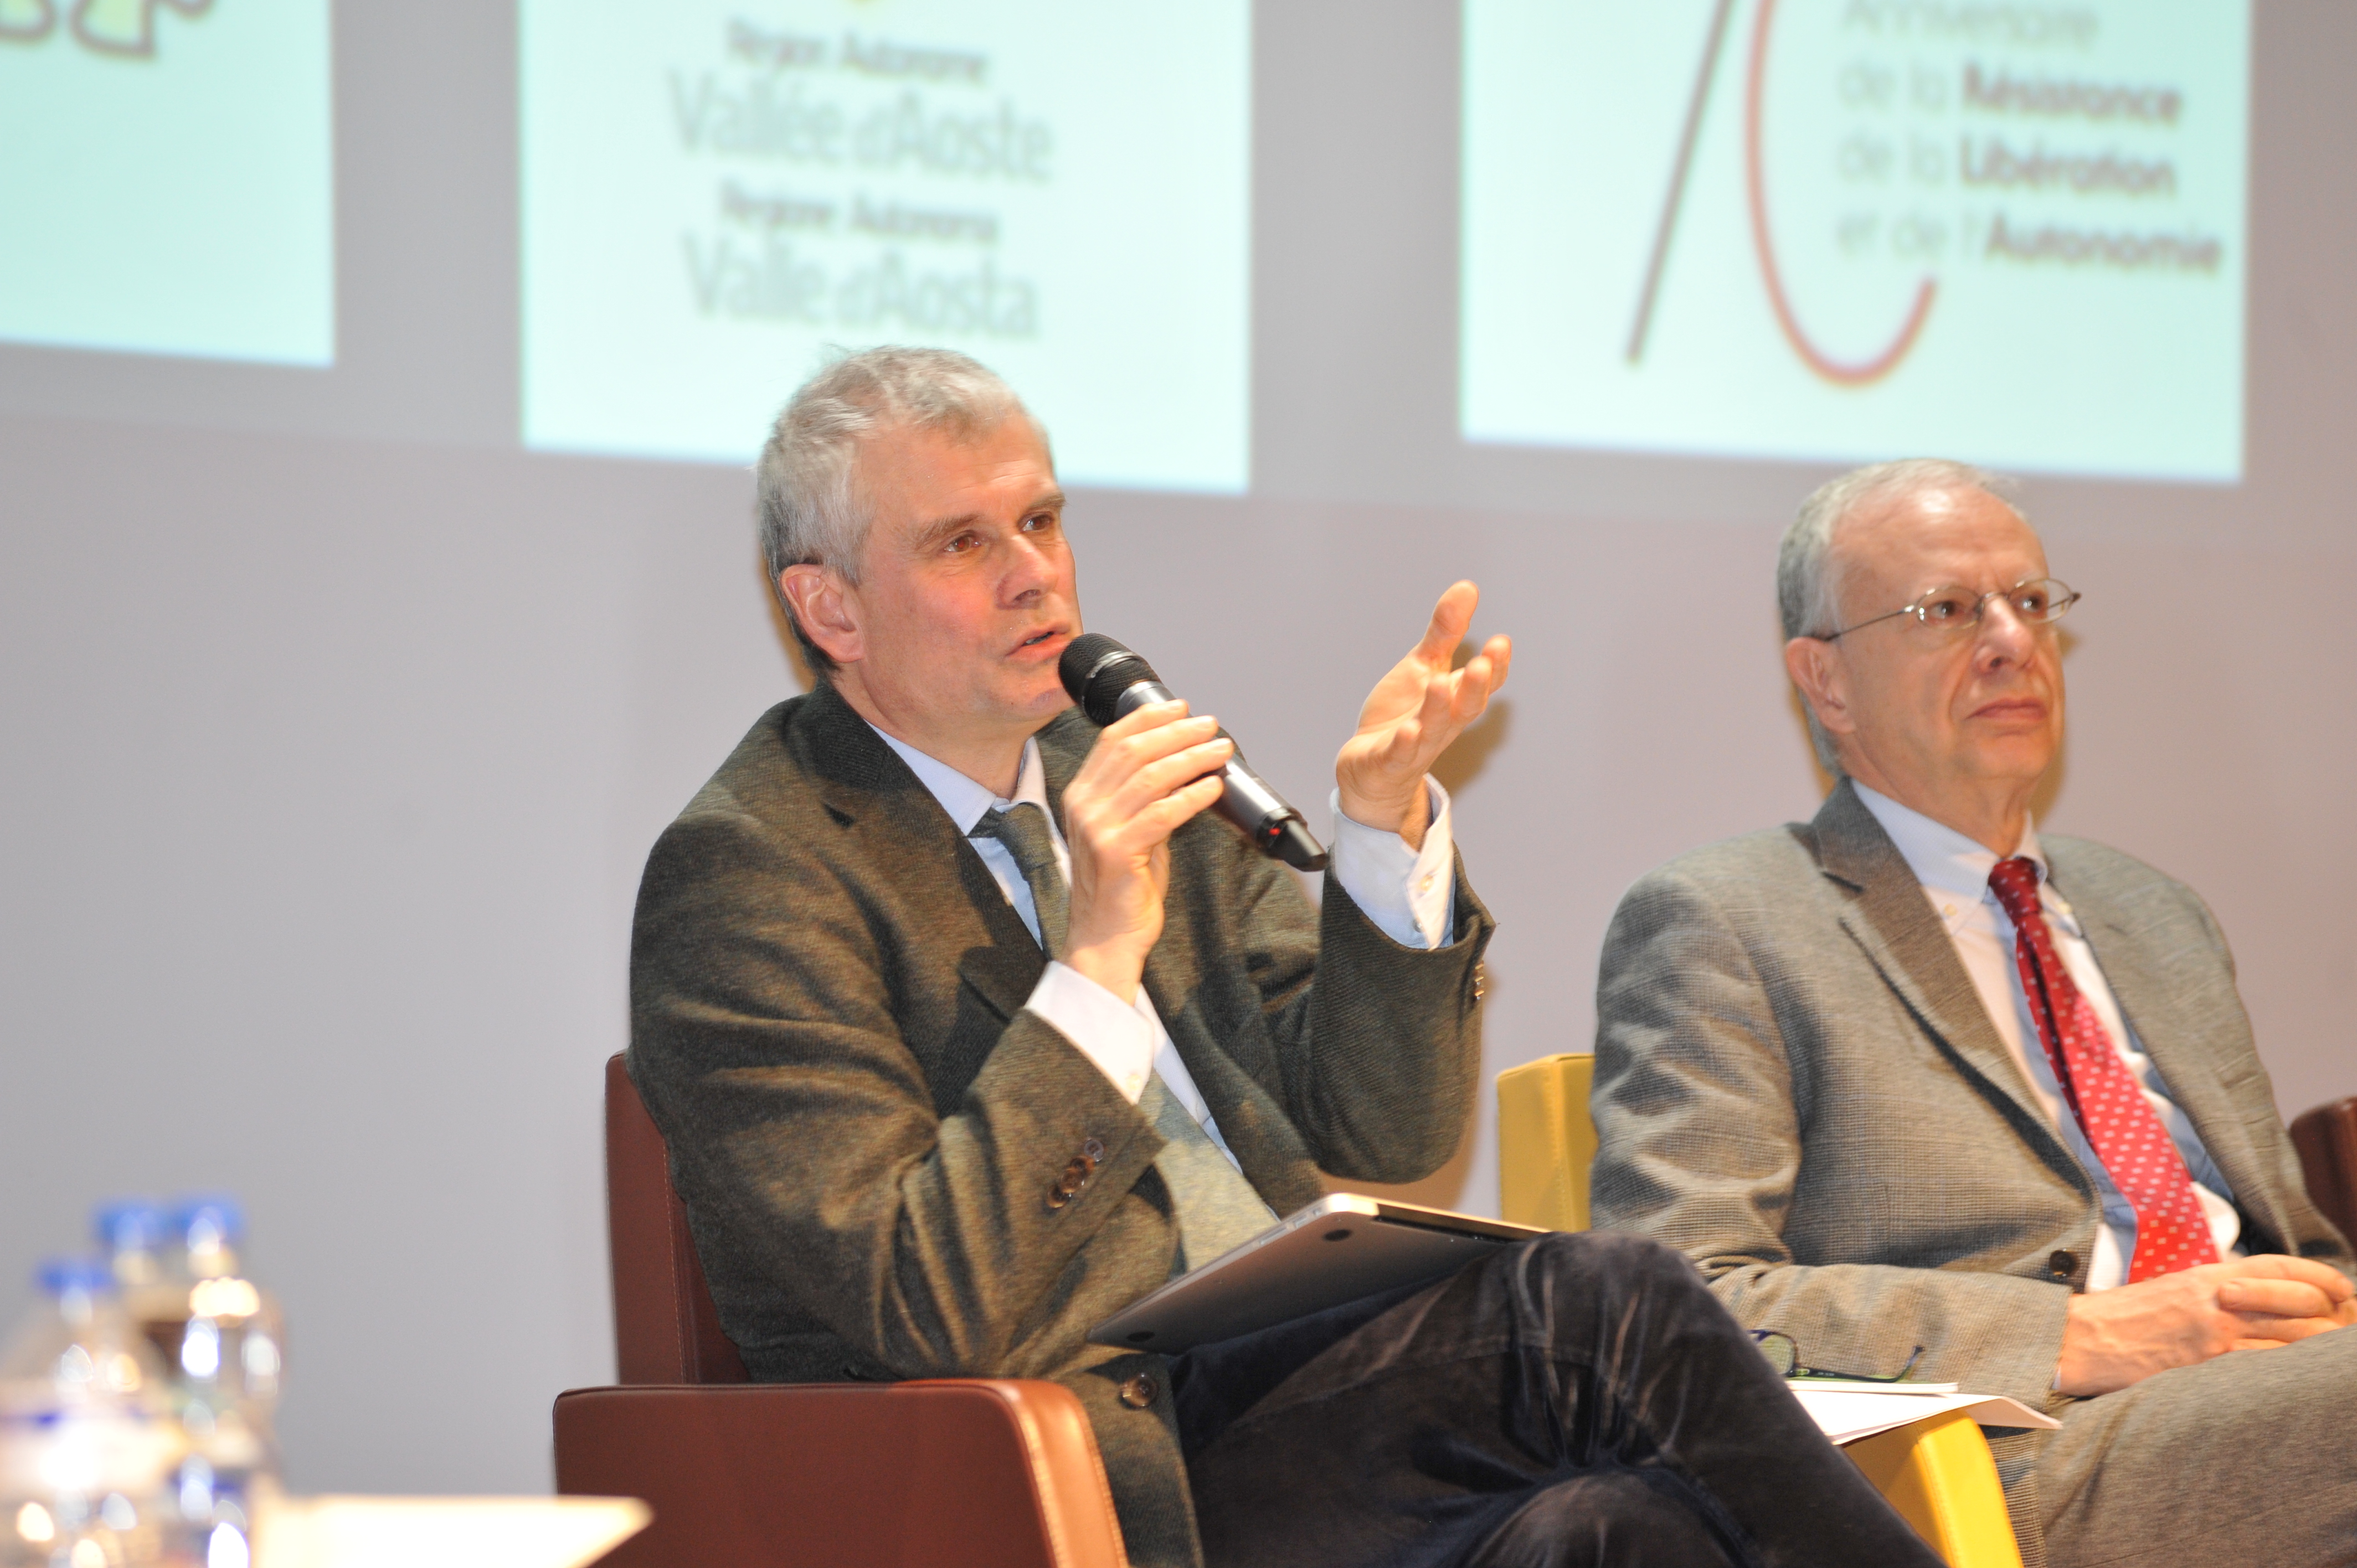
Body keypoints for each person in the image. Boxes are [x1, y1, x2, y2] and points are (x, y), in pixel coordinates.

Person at [628, 347, 1948, 1568]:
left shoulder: (1117, 765)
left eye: (1041, 520)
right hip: (1092, 1449)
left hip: (1308, 1384)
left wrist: (1379, 835)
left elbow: (1384, 1124)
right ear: (830, 608)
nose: (1034, 574)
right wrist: (1096, 959)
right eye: (964, 543)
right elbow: (920, 1305)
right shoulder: (753, 872)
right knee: (1606, 1303)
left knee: (1610, 1533)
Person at [1591, 458, 2357, 1568]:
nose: (2011, 641)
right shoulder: (1725, 919)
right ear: (1826, 681)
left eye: (2031, 602)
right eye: (1947, 611)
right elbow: (1682, 1302)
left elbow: (2301, 1244)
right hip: (2010, 1456)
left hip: (2285, 1396)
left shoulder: (2156, 912)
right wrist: (2077, 1335)